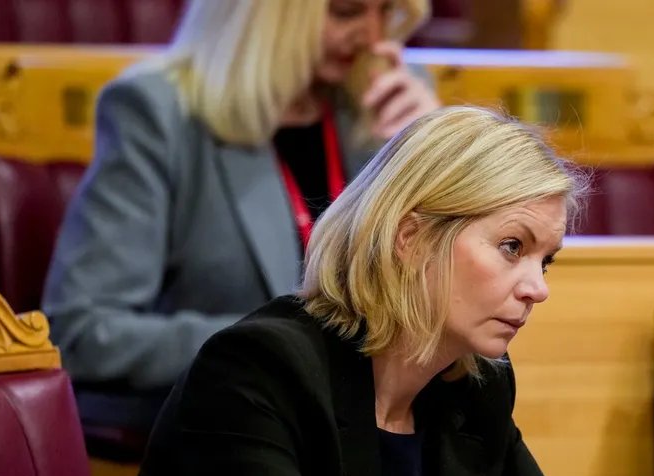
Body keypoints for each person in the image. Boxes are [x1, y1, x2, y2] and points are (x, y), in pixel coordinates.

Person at [97, 105, 590, 476]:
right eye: (512, 246)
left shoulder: (476, 384)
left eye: (545, 261)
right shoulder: (256, 371)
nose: (537, 288)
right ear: (411, 238)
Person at [42, 0, 441, 430]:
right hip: (227, 425)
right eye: (346, 12)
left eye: (386, 10)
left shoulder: (389, 99)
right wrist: (288, 341)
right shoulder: (158, 112)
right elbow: (82, 332)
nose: (373, 36)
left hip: (378, 421)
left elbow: (431, 295)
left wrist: (432, 161)